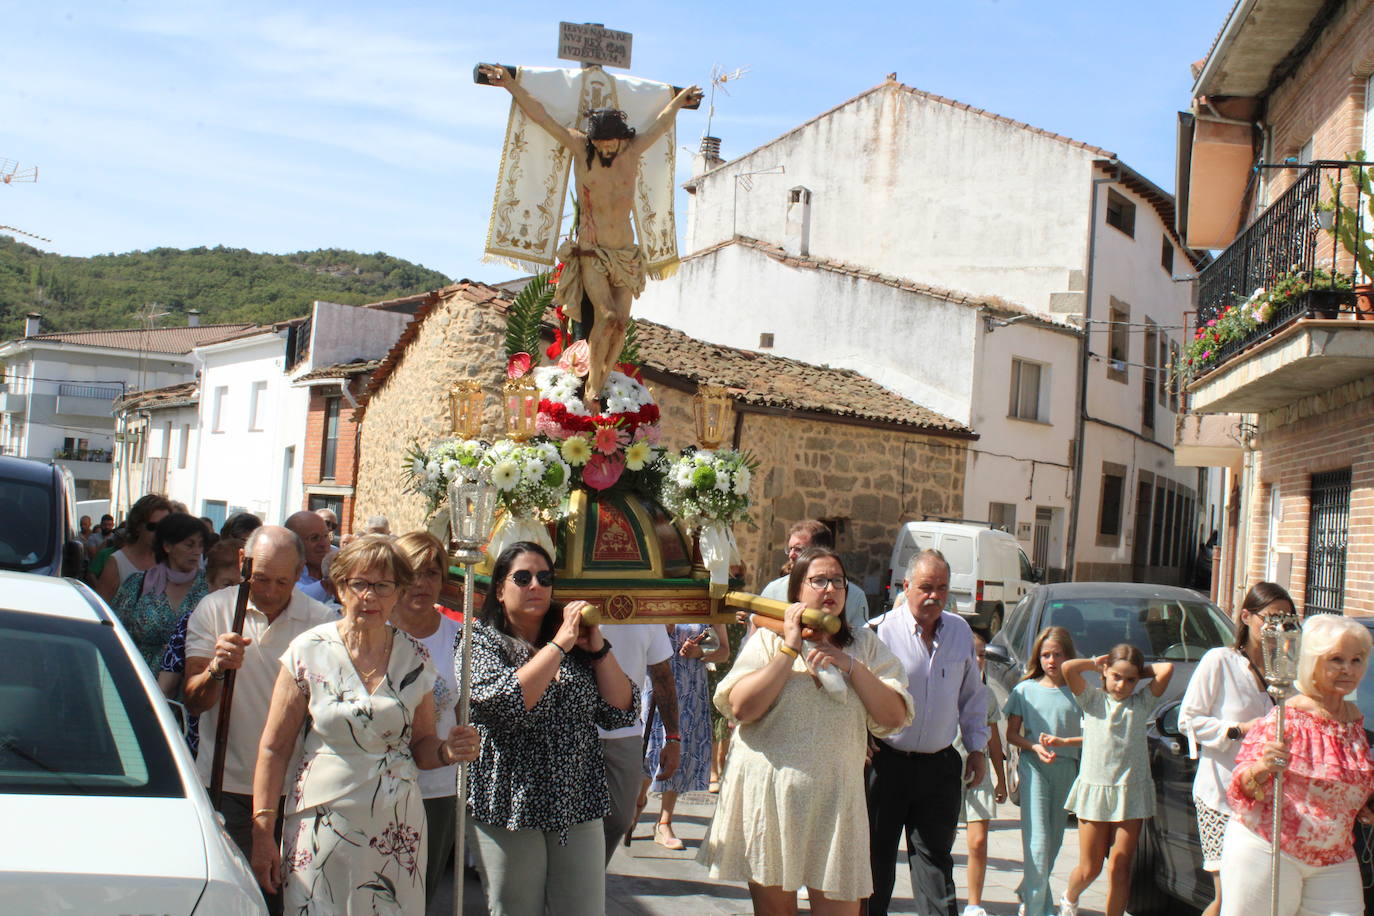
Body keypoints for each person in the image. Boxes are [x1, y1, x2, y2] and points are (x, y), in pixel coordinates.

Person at [248, 535, 478, 911]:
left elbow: (421, 745)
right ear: (340, 587)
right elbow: (274, 748)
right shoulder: (307, 651)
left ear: (397, 592)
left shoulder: (416, 657)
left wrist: (447, 750)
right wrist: (262, 830)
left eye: (383, 585)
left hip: (395, 827)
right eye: (360, 583)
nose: (370, 596)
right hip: (321, 819)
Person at [700, 547, 911, 913]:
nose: (830, 588)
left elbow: (893, 717)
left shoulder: (865, 646)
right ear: (797, 591)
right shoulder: (768, 641)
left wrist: (849, 666)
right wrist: (789, 648)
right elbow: (742, 707)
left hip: (837, 803)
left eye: (838, 581)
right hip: (771, 799)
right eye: (819, 581)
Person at [478, 63, 702, 398]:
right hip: (592, 252)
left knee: (622, 323)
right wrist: (511, 85)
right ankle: (593, 390)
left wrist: (678, 102)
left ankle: (602, 376)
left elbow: (661, 124)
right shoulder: (582, 149)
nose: (607, 150)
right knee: (607, 315)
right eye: (602, 144)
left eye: (612, 144)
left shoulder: (632, 151)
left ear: (620, 139)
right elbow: (542, 117)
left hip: (626, 253)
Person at [465, 542, 637, 915]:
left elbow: (622, 711)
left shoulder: (574, 644)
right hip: (510, 804)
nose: (535, 587)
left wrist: (599, 649)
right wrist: (559, 644)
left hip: (576, 801)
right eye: (522, 578)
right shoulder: (479, 640)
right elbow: (505, 703)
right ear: (499, 588)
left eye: (544, 579)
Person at [183, 526, 338, 912]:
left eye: (282, 582)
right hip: (224, 785)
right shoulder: (216, 609)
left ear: (301, 571)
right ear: (243, 563)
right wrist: (217, 668)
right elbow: (193, 700)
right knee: (231, 900)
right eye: (261, 579)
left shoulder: (320, 622)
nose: (269, 591)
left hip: (295, 791)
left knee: (283, 901)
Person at [1219, 614, 1374, 916]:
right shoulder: (1286, 718)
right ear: (1313, 662)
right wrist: (1262, 768)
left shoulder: (1354, 719)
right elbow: (1239, 789)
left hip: (1334, 855)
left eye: (1356, 660)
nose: (1348, 669)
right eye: (1337, 659)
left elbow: (1345, 781)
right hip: (1271, 850)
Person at [864, 549, 988, 916]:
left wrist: (977, 748)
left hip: (938, 768)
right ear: (906, 586)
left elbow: (972, 694)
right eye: (926, 587)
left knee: (936, 864)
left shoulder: (960, 631)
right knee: (875, 865)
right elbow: (855, 693)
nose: (934, 596)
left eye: (942, 588)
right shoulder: (877, 632)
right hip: (886, 765)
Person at [1178, 582, 1296, 916]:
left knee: (1253, 897)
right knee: (1228, 895)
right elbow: (1188, 721)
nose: (1278, 627)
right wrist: (1237, 730)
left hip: (1268, 800)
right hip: (1221, 794)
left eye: (1287, 620)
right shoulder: (1220, 661)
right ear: (1246, 616)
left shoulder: (1284, 670)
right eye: (1270, 618)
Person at [1058, 645, 1174, 916]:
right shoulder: (1092, 700)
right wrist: (1095, 662)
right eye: (1116, 677)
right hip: (1096, 789)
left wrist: (1135, 668)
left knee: (1120, 866)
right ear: (1105, 673)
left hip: (1130, 791)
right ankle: (1070, 895)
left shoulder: (1141, 703)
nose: (1122, 684)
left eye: (1130, 679)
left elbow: (1167, 669)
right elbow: (1068, 669)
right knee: (1091, 867)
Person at [391, 530, 465, 909]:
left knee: (422, 892)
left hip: (435, 787)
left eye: (432, 573)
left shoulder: (461, 639)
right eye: (412, 572)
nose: (421, 583)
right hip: (376, 782)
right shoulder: (374, 632)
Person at [1003, 626, 1083, 916]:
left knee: (1054, 842)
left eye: (1058, 654)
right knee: (1037, 843)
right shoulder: (1025, 690)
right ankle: (1038, 909)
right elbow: (1011, 734)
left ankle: (1030, 889)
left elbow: (1094, 734)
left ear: (1068, 656)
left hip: (1066, 768)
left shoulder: (1079, 693)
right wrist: (1033, 746)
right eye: (1046, 655)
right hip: (1034, 768)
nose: (1051, 661)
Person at [640, 621, 731, 851]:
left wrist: (700, 651)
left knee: (680, 748)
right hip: (653, 682)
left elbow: (724, 651)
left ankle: (664, 822)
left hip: (689, 687)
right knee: (647, 745)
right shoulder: (656, 596)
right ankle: (637, 804)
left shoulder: (704, 602)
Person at [158, 538, 245, 758]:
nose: (233, 594)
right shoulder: (191, 621)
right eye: (227, 585)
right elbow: (164, 689)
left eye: (241, 586)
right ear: (209, 583)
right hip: (200, 745)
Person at [599, 623, 679, 862]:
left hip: (626, 733)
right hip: (573, 733)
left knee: (621, 818)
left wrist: (673, 738)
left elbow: (662, 675)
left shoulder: (647, 611)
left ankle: (588, 884)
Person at [112, 512, 210, 670]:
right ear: (167, 546)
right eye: (189, 545)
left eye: (200, 545)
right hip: (140, 680)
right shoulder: (138, 584)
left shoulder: (208, 588)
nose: (197, 551)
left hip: (186, 687)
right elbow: (116, 635)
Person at [958, 627, 1008, 916]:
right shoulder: (943, 689)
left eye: (980, 656)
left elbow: (994, 737)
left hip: (979, 773)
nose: (976, 661)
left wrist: (1000, 777)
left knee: (978, 840)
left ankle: (974, 904)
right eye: (970, 654)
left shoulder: (987, 695)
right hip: (946, 772)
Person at [759, 519, 870, 625]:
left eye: (799, 549)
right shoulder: (774, 590)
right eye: (790, 549)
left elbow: (859, 640)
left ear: (822, 551)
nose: (791, 555)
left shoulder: (855, 596)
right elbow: (757, 629)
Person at [94, 493, 172, 602]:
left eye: (165, 526)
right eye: (153, 527)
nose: (160, 532)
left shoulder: (169, 561)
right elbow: (102, 608)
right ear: (138, 526)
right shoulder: (118, 562)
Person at [283, 509, 332, 604]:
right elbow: (298, 599)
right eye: (314, 538)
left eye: (326, 536)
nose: (323, 544)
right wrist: (333, 581)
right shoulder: (286, 572)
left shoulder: (335, 555)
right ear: (293, 543)